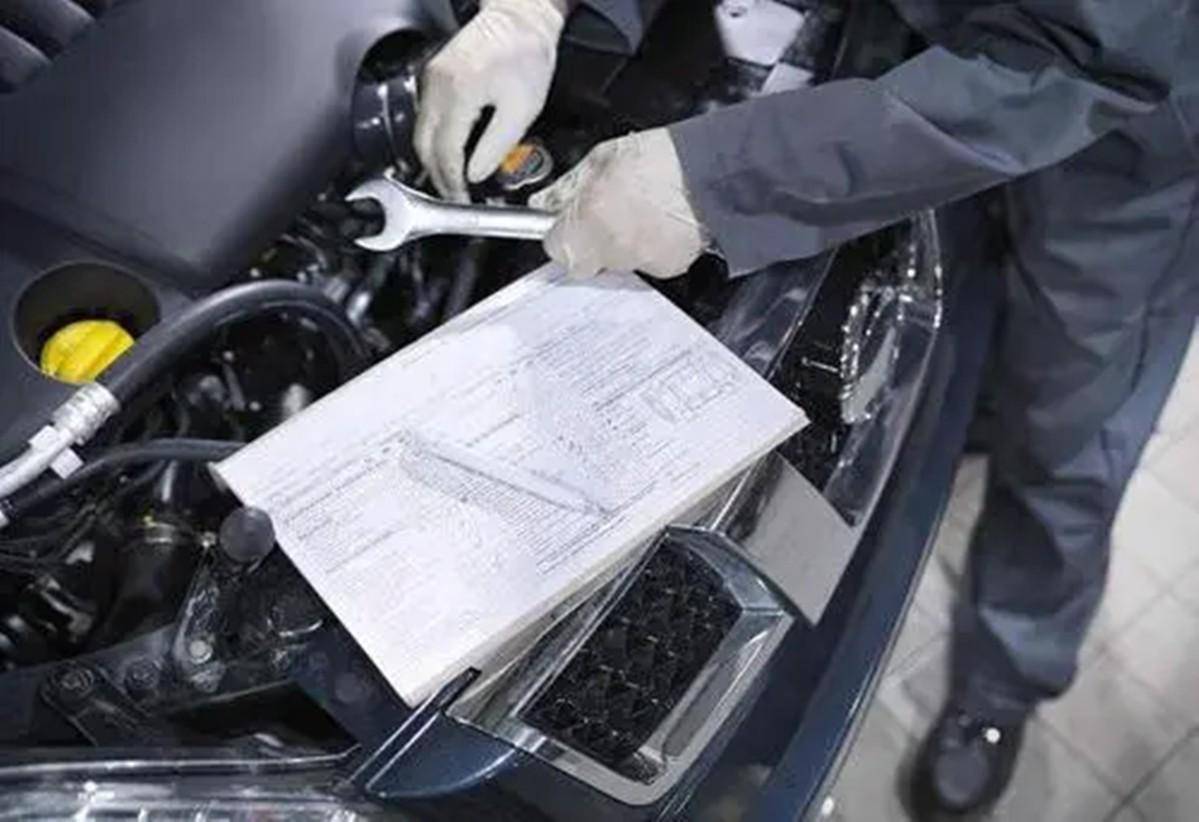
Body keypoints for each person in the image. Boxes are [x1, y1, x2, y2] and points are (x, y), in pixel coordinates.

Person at [414, 0, 1199, 817]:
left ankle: (1005, 677)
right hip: (925, 48)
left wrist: (717, 181)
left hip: (1120, 142)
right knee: (970, 349)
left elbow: (1085, 51)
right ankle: (973, 418)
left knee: (1068, 432)